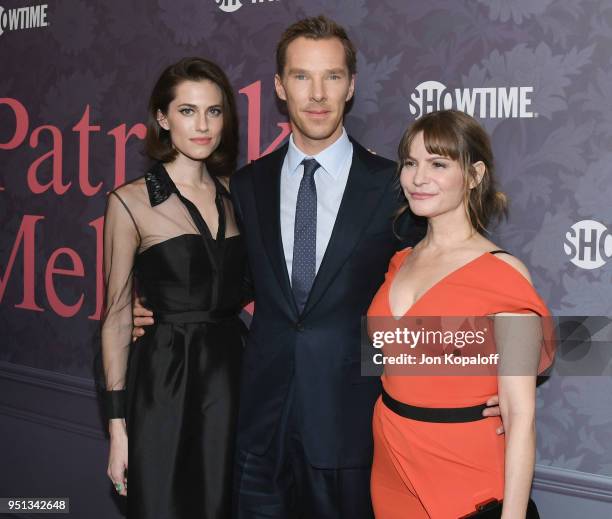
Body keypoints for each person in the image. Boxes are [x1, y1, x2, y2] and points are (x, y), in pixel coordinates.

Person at [133, 16, 503, 518]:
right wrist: (163, 311)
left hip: (350, 434)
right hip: (258, 430)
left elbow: (462, 282)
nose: (317, 94)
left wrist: (503, 380)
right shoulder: (247, 185)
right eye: (302, 77)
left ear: (351, 86)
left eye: (331, 76)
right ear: (281, 87)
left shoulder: (395, 187)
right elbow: (231, 281)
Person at [367, 110, 551, 518]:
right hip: (390, 460)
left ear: (474, 174)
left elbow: (520, 415)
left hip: (463, 465)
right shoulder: (400, 261)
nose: (418, 178)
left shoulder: (504, 275)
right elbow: (388, 359)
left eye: (438, 164)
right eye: (411, 163)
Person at [101, 57, 246, 519]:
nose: (203, 125)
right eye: (187, 111)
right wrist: (118, 429)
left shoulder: (239, 195)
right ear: (162, 118)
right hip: (164, 381)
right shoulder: (130, 201)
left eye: (214, 111)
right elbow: (117, 316)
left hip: (233, 378)